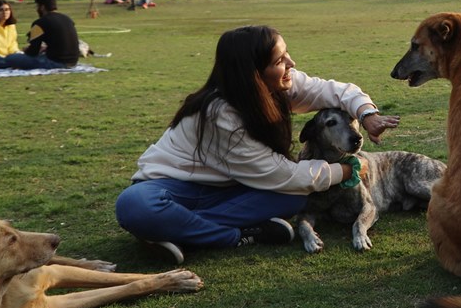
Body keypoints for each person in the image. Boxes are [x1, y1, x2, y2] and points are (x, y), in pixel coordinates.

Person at [114, 25, 400, 263]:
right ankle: (236, 236)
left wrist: (367, 114)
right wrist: (346, 171)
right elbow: (281, 173)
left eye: (286, 55)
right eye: (279, 61)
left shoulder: (280, 86)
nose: (291, 64)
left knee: (294, 196)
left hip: (234, 188)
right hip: (175, 188)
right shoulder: (218, 113)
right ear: (253, 74)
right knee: (134, 205)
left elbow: (335, 91)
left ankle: (176, 229)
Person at [4, 0, 80, 70]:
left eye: (37, 6)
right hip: (73, 62)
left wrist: (26, 50)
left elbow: (33, 52)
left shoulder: (40, 23)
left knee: (11, 58)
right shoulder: (67, 19)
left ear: (42, 7)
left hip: (55, 62)